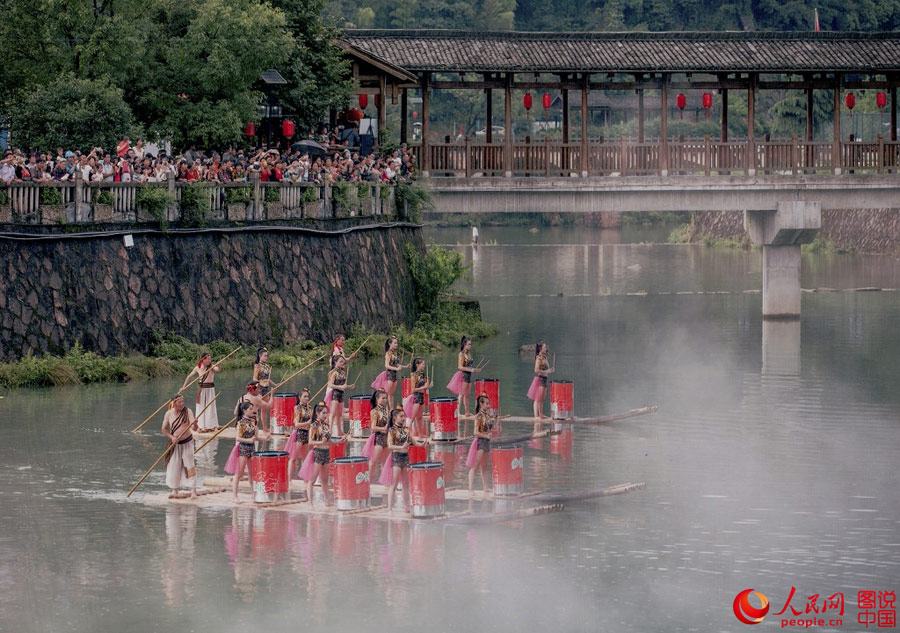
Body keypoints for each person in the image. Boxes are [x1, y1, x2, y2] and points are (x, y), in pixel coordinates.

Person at [303, 402, 344, 507]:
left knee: (325, 480)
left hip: (326, 453)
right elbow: (311, 442)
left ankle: (327, 500)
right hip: (318, 453)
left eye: (326, 413)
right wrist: (321, 442)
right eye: (324, 413)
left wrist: (340, 441)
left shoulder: (326, 425)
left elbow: (329, 441)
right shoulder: (314, 425)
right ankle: (310, 502)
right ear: (317, 413)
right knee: (312, 479)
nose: (326, 415)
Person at [386, 407, 425, 513]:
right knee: (394, 484)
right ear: (395, 418)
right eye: (401, 416)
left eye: (404, 416)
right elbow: (390, 446)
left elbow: (415, 443)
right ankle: (389, 507)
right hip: (397, 457)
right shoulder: (392, 430)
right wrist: (401, 447)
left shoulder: (407, 429)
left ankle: (407, 506)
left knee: (406, 484)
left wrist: (422, 444)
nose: (404, 418)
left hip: (405, 457)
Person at [162, 394, 199, 499]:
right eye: (180, 402)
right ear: (174, 403)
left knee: (189, 465)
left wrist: (195, 424)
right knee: (174, 465)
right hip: (174, 444)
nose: (182, 404)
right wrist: (171, 437)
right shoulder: (168, 414)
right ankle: (175, 490)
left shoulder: (188, 411)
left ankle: (193, 490)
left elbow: (194, 428)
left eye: (183, 401)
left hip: (187, 442)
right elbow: (163, 429)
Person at [231, 400, 262, 504]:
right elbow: (238, 438)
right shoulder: (241, 423)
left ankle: (253, 494)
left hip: (252, 448)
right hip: (243, 448)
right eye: (250, 409)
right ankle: (235, 496)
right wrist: (249, 440)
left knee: (252, 473)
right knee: (239, 474)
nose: (252, 410)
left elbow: (256, 437)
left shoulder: (253, 422)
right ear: (244, 410)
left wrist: (265, 439)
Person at [181, 352, 220, 432]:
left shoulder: (211, 367)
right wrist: (184, 386)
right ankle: (201, 426)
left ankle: (212, 425)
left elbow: (218, 370)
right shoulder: (198, 367)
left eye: (210, 359)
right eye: (208, 359)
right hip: (201, 389)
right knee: (201, 406)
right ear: (203, 359)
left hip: (210, 389)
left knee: (210, 406)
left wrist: (219, 365)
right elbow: (189, 377)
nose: (210, 360)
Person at [467, 394, 496, 497]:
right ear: (481, 404)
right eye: (487, 403)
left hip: (487, 442)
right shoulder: (479, 416)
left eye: (489, 403)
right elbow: (475, 432)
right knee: (475, 466)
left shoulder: (487, 415)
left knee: (485, 467)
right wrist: (486, 436)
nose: (488, 405)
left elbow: (488, 429)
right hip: (480, 442)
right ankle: (470, 489)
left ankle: (485, 487)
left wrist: (494, 431)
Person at [447, 336, 480, 417]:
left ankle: (467, 412)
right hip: (463, 376)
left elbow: (469, 367)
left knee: (467, 395)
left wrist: (475, 370)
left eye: (470, 344)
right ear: (465, 345)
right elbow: (460, 367)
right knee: (461, 395)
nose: (470, 346)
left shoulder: (469, 354)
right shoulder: (461, 354)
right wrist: (470, 370)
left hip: (469, 376)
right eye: (469, 344)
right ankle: (457, 412)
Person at [407, 358, 432, 461]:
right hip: (416, 396)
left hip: (422, 396)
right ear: (417, 364)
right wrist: (423, 387)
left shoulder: (422, 374)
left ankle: (420, 435)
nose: (424, 366)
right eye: (422, 364)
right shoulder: (414, 375)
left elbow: (424, 387)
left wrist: (428, 386)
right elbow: (413, 389)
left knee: (419, 418)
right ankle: (407, 433)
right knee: (413, 417)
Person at [370, 337, 406, 409]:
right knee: (387, 394)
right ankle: (385, 409)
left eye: (397, 343)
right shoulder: (388, 353)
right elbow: (387, 366)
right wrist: (396, 368)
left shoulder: (394, 353)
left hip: (394, 375)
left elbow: (396, 364)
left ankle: (392, 410)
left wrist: (405, 366)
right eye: (395, 343)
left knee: (391, 394)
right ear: (390, 344)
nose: (396, 344)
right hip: (389, 375)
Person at [526, 340, 554, 431]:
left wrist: (550, 370)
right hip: (540, 378)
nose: (546, 348)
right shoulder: (539, 358)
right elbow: (536, 370)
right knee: (538, 398)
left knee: (542, 398)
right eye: (544, 347)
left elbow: (546, 369)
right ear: (541, 348)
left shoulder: (544, 357)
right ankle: (536, 415)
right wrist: (547, 371)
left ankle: (541, 414)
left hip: (544, 379)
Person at [287, 387, 313, 478]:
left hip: (307, 434)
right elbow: (296, 424)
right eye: (305, 396)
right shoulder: (297, 408)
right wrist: (307, 423)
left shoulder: (310, 408)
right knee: (293, 458)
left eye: (308, 396)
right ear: (300, 397)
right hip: (299, 434)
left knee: (305, 459)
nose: (307, 398)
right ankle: (289, 479)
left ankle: (305, 478)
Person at [326, 355, 355, 435]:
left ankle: (339, 431)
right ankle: (330, 432)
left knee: (339, 414)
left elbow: (343, 385)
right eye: (340, 362)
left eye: (343, 362)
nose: (343, 363)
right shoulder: (333, 372)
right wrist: (341, 387)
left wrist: (349, 386)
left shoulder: (343, 372)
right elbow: (330, 385)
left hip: (341, 395)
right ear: (335, 362)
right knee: (332, 414)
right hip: (334, 395)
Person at [364, 390, 390, 476]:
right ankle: (367, 481)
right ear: (377, 399)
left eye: (386, 398)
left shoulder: (386, 411)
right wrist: (383, 428)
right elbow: (373, 427)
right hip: (378, 438)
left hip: (386, 438)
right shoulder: (375, 411)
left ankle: (385, 483)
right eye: (383, 398)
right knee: (373, 462)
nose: (385, 400)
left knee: (385, 463)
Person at [252, 347, 274, 431]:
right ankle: (254, 427)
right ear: (260, 356)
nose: (266, 357)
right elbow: (254, 378)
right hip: (259, 389)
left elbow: (268, 378)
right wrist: (257, 387)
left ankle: (265, 427)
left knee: (266, 409)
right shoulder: (257, 366)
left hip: (266, 388)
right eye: (265, 356)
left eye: (267, 356)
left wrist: (275, 384)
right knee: (256, 409)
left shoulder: (267, 366)